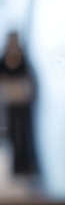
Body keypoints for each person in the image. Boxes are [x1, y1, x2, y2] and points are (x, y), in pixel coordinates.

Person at [0, 31, 38, 175]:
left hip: (23, 105)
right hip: (8, 104)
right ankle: (14, 167)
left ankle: (25, 166)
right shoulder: (4, 60)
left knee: (24, 134)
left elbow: (31, 81)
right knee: (11, 135)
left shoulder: (24, 60)